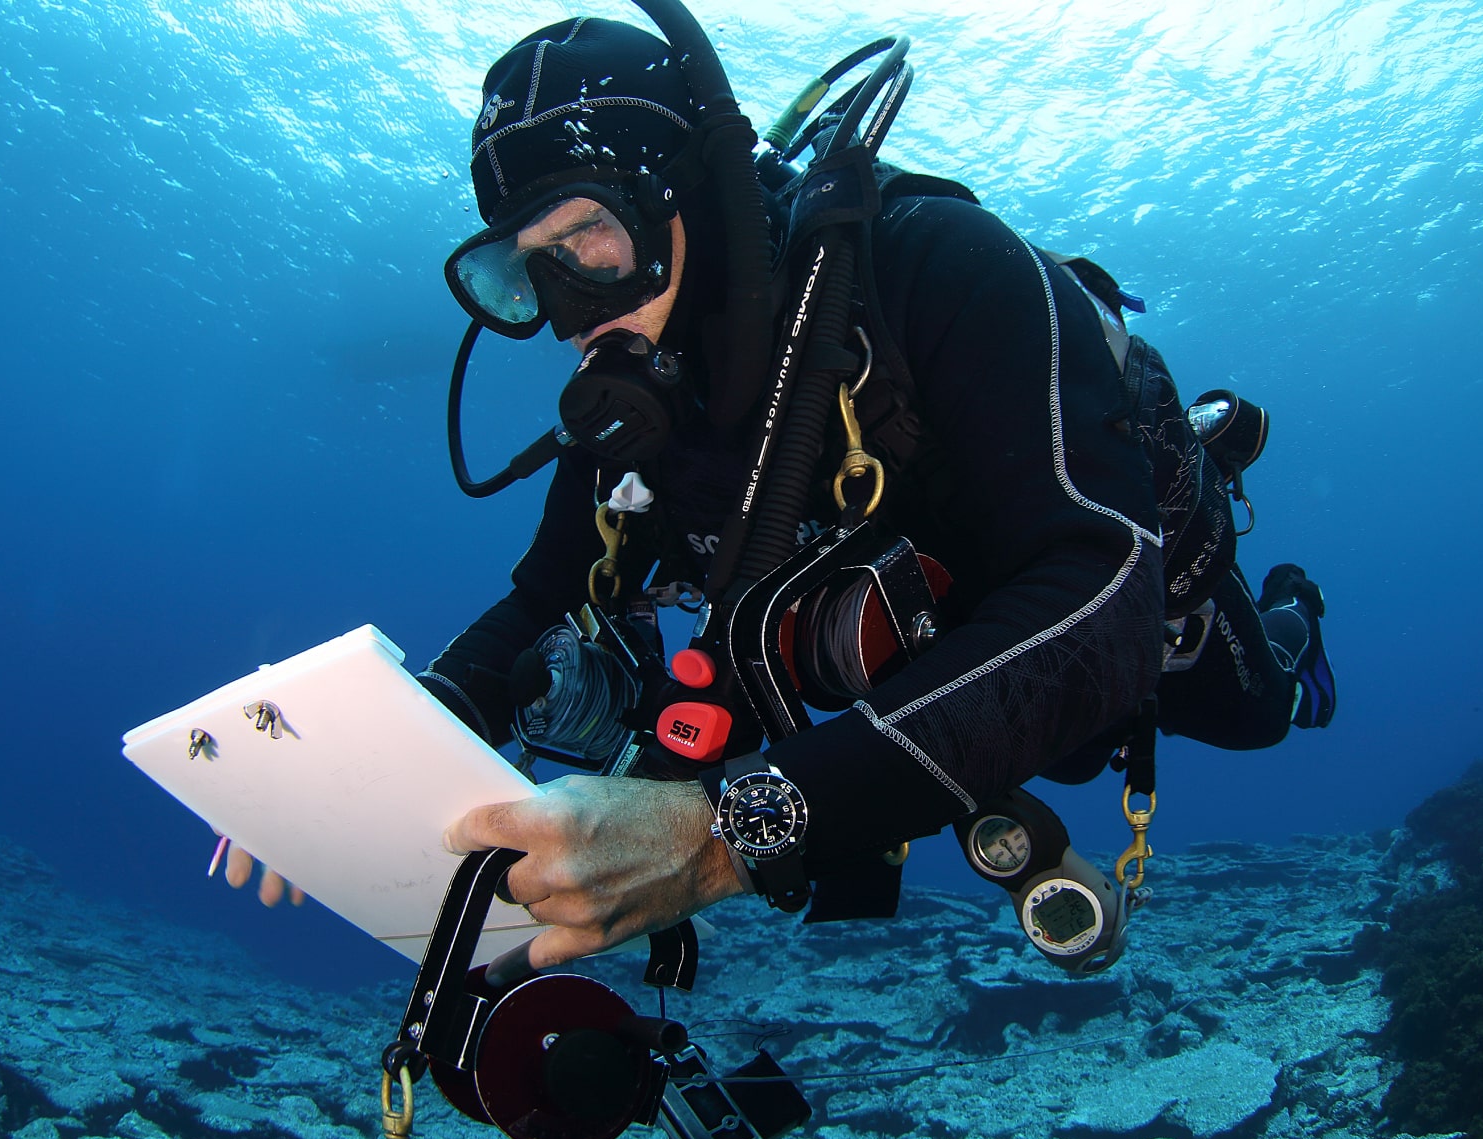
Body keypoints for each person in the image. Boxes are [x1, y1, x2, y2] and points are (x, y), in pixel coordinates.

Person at [227, 17, 1336, 975]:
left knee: (1252, 720)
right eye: (525, 272)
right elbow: (546, 596)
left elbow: (1100, 594)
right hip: (916, 675)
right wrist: (371, 765)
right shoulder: (632, 389)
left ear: (691, 196)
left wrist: (719, 838)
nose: (568, 310)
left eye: (589, 240)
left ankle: (1286, 610)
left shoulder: (938, 267)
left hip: (1118, 608)